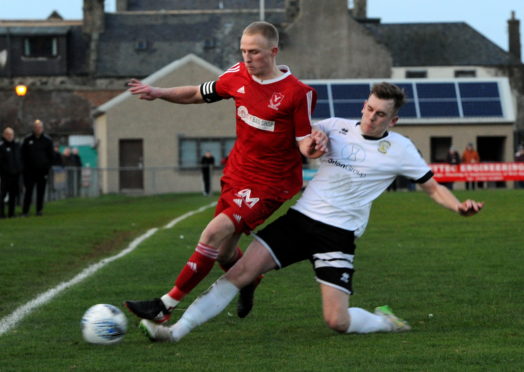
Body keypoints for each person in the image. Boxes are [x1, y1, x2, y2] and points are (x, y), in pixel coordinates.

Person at [137, 82, 484, 343]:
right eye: (368, 108)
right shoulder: (334, 126)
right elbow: (302, 139)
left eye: (380, 114)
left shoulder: (401, 149)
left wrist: (459, 207)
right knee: (238, 273)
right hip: (301, 221)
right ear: (363, 105)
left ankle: (384, 321)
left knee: (338, 322)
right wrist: (309, 141)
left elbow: (432, 186)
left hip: (338, 235)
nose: (370, 116)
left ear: (393, 119)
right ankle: (175, 332)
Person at [125, 21, 327, 322]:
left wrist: (315, 144)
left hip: (271, 184)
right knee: (223, 252)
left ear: (273, 51)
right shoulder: (236, 75)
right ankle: (250, 281)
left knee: (213, 233)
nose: (247, 58)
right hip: (238, 173)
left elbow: (302, 143)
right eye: (244, 51)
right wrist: (157, 91)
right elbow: (196, 93)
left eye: (254, 52)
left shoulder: (298, 93)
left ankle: (164, 306)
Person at [21, 119, 54, 217]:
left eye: (39, 127)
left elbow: (51, 156)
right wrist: (25, 168)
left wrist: (47, 167)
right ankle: (25, 211)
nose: (38, 129)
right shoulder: (27, 140)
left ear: (42, 128)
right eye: (36, 127)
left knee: (41, 191)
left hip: (42, 171)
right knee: (28, 191)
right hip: (29, 171)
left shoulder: (47, 140)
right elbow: (23, 155)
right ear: (33, 128)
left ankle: (39, 210)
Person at [0, 127, 23, 218]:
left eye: (11, 134)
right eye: (8, 134)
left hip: (16, 175)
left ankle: (11, 213)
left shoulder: (17, 146)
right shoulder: (1, 147)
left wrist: (20, 169)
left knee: (13, 195)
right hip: (5, 175)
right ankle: (1, 213)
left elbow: (20, 159)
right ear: (4, 135)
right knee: (2, 194)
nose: (10, 136)